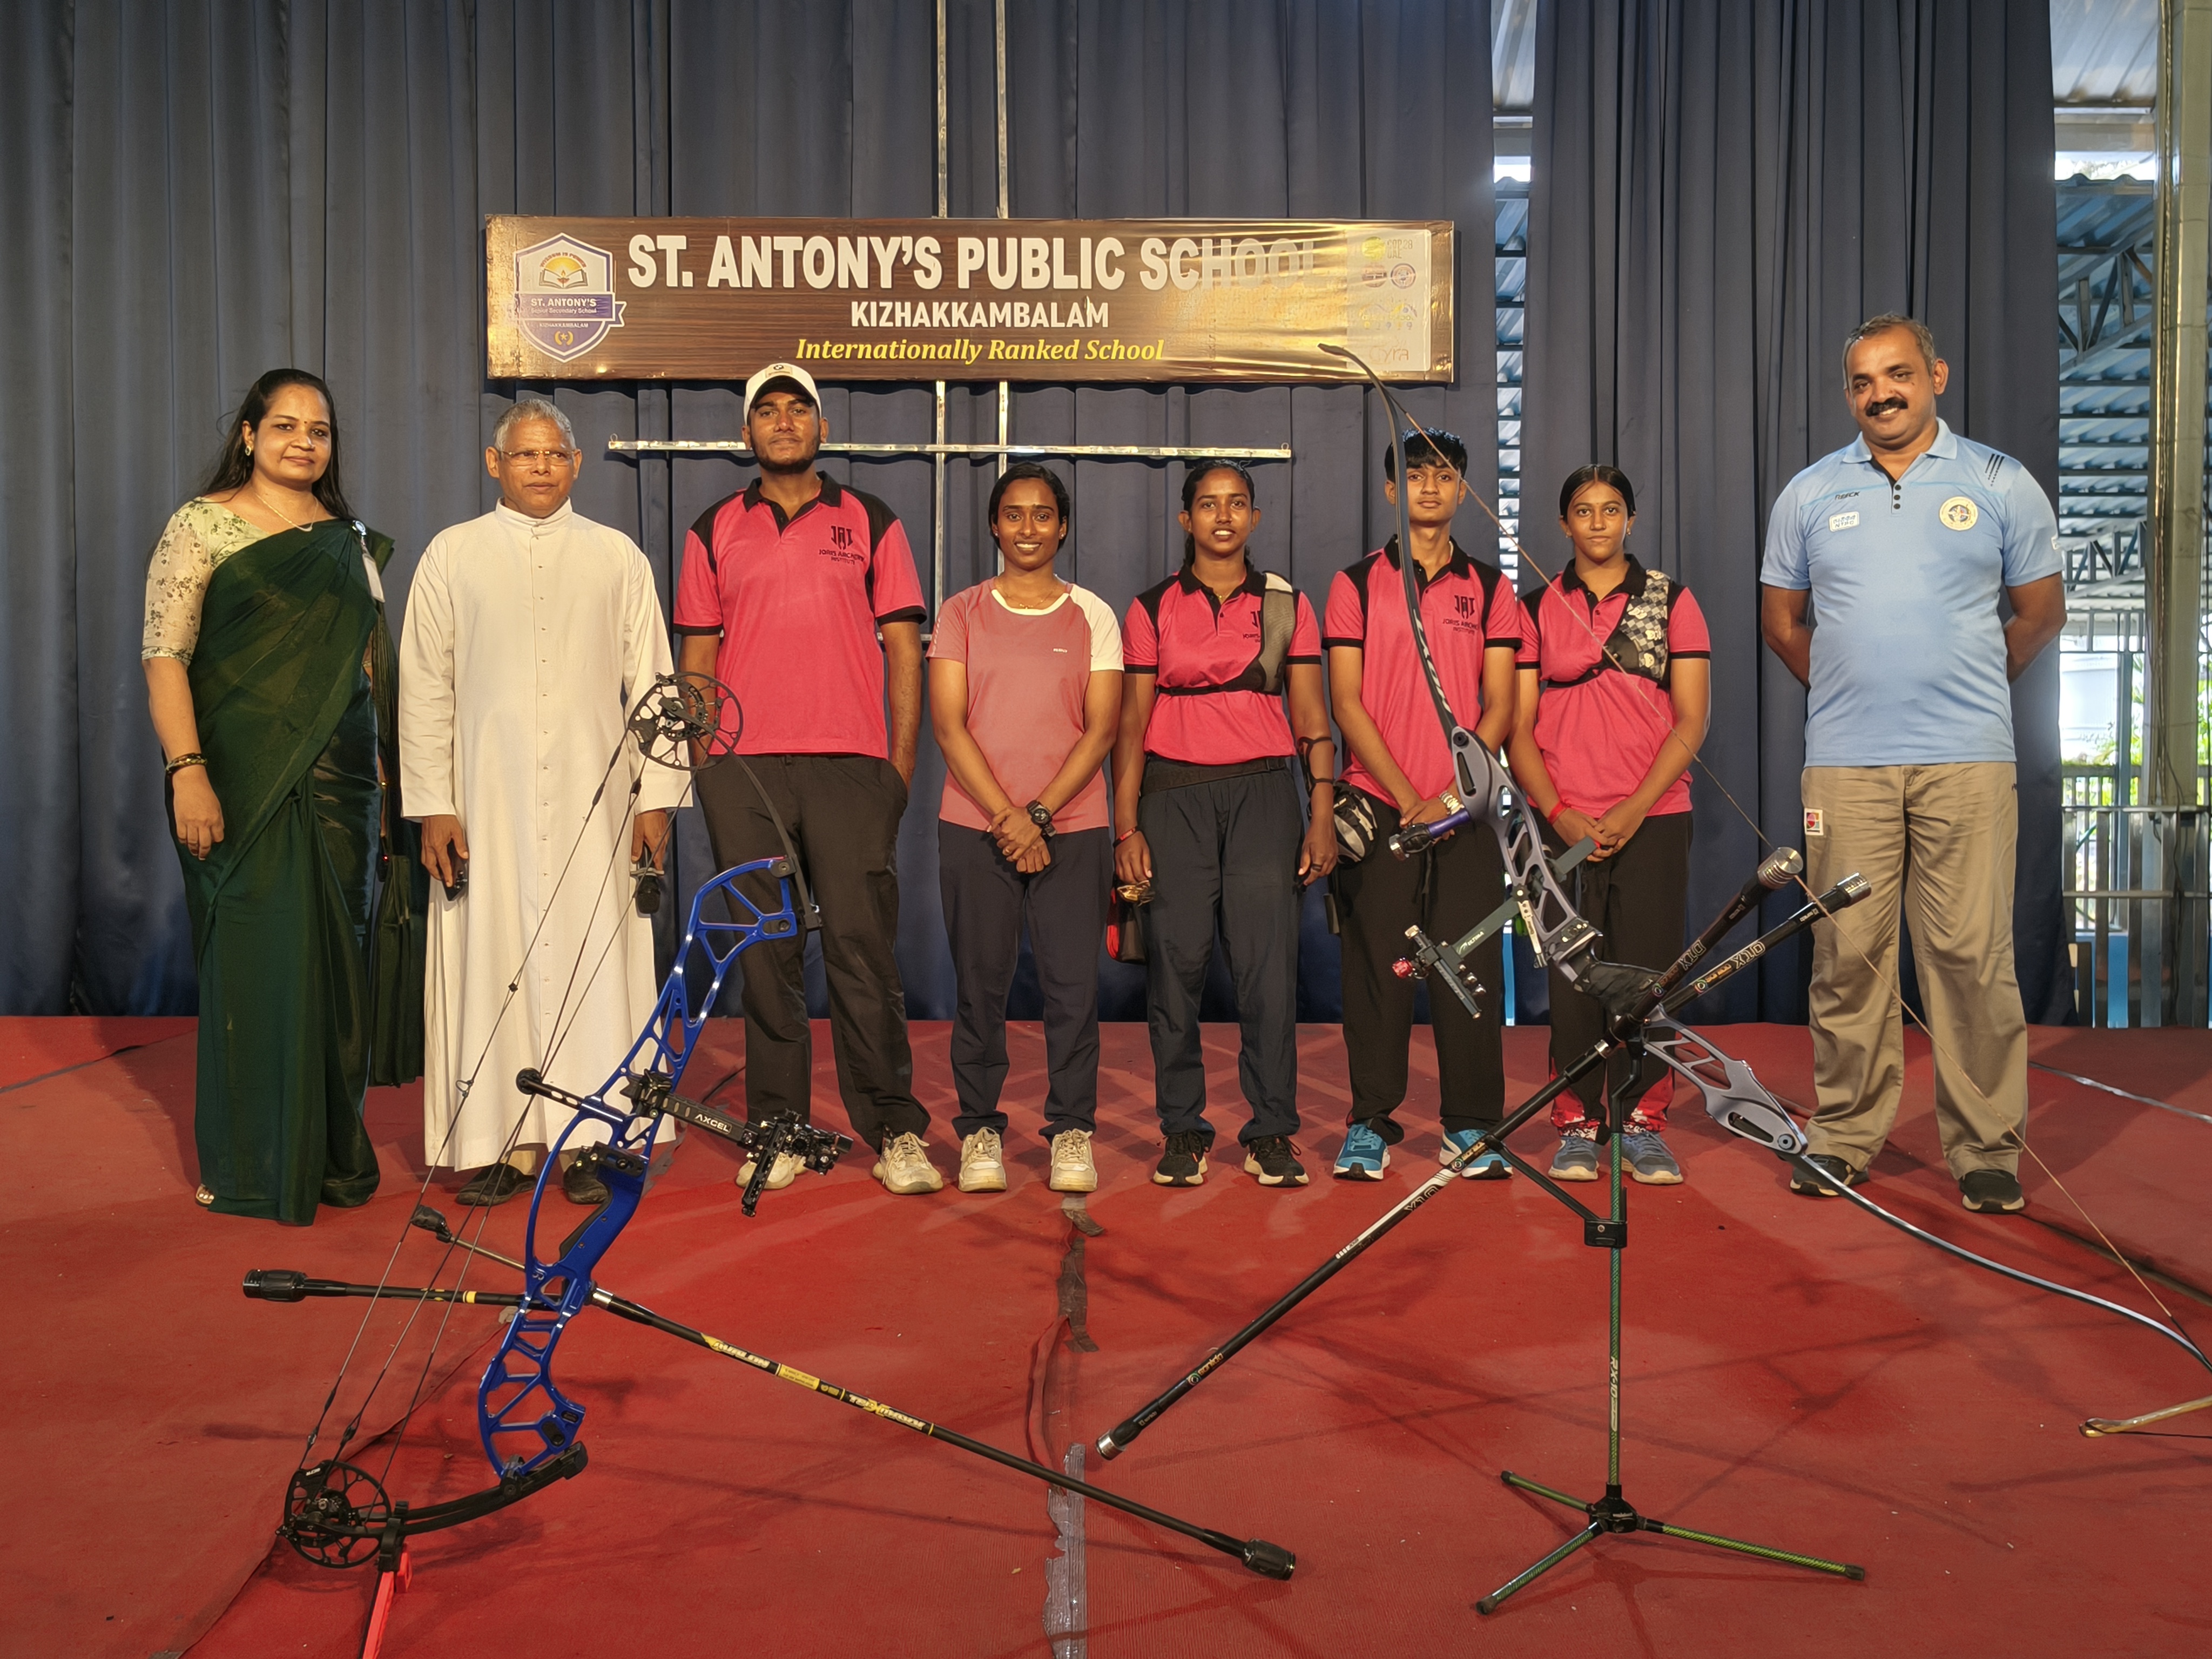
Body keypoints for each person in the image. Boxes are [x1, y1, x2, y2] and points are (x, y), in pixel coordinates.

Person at [1760, 314, 2064, 1215]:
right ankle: (1844, 1136)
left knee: (1972, 957)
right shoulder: (1810, 493)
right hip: (1846, 765)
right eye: (1863, 381)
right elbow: (1782, 623)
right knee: (1847, 957)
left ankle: (1986, 1150)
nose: (1880, 394)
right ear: (1848, 393)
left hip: (1968, 761)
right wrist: (1853, 690)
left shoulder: (2000, 481)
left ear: (1935, 375)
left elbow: (2040, 612)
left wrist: (1967, 684)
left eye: (1897, 374)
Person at [400, 399, 684, 1207]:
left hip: (601, 803)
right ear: (495, 464)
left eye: (555, 455)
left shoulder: (617, 556)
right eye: (525, 455)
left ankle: (591, 1139)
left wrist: (658, 798)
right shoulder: (451, 554)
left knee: (596, 964)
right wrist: (433, 803)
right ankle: (507, 1144)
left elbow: (655, 682)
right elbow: (424, 685)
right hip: (483, 804)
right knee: (491, 956)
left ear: (577, 464)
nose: (541, 468)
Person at [673, 362, 943, 1195]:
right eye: (768, 411)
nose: (784, 422)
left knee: (863, 951)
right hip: (745, 771)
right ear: (746, 432)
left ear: (822, 428)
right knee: (767, 955)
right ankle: (778, 1127)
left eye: (799, 409)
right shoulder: (713, 528)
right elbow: (697, 657)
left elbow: (905, 651)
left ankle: (895, 1129)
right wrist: (706, 764)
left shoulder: (871, 520)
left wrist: (898, 767)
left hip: (852, 768)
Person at [141, 368, 399, 1222]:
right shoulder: (202, 523)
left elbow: (368, 671)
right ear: (249, 434)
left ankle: (330, 1158)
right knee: (256, 970)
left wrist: (388, 784)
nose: (302, 442)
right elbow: (166, 657)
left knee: (338, 977)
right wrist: (188, 771)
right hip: (239, 782)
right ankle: (254, 1167)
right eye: (284, 425)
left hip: (345, 790)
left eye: (318, 430)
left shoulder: (348, 541)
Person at [1112, 460, 1338, 1189]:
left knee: (1268, 971)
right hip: (1172, 798)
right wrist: (1126, 827)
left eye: (1237, 503)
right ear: (1186, 519)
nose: (1223, 516)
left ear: (1255, 517)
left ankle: (1272, 1132)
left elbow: (1312, 715)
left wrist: (1322, 811)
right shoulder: (1151, 608)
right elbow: (1130, 725)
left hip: (1265, 797)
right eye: (1208, 504)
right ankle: (1183, 1129)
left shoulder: (1287, 605)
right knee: (1175, 969)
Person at [1324, 428, 1523, 1181]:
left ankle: (1471, 1126)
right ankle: (1370, 1123)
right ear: (1390, 491)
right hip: (1382, 807)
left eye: (1444, 475)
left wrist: (1449, 796)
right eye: (1414, 476)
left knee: (1469, 969)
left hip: (1465, 812)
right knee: (1379, 969)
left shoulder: (1492, 588)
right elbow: (1346, 702)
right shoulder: (1354, 584)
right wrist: (1410, 799)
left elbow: (1500, 705)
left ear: (1463, 491)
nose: (1430, 487)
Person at [1508, 465, 1710, 1185]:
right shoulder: (1535, 607)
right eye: (1584, 511)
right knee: (1572, 980)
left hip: (1653, 817)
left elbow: (1692, 718)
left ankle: (1644, 1122)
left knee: (1649, 977)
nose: (1598, 522)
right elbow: (1517, 729)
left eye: (1612, 509)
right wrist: (1559, 814)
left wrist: (1633, 807)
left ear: (1631, 519)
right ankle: (1576, 1123)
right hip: (1562, 825)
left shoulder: (1673, 600)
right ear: (1564, 523)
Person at [929, 463, 1122, 1194]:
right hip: (975, 826)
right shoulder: (961, 612)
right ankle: (980, 1129)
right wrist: (1008, 817)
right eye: (1014, 514)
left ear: (1063, 527)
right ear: (994, 525)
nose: (1029, 528)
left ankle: (1072, 1129)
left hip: (1073, 827)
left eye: (1044, 515)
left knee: (1073, 990)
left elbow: (1101, 730)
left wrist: (1038, 815)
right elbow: (949, 727)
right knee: (980, 987)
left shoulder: (1093, 615)